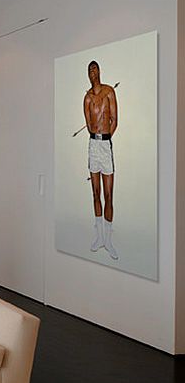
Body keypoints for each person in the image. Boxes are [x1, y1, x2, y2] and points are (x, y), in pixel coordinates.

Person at [83, 60, 118, 260]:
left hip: (105, 145)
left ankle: (108, 241)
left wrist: (106, 137)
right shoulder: (87, 97)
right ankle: (99, 237)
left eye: (94, 69)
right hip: (93, 146)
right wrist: (96, 136)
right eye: (89, 70)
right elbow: (88, 123)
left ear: (99, 71)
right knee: (95, 193)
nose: (92, 72)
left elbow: (115, 120)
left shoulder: (109, 92)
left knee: (109, 194)